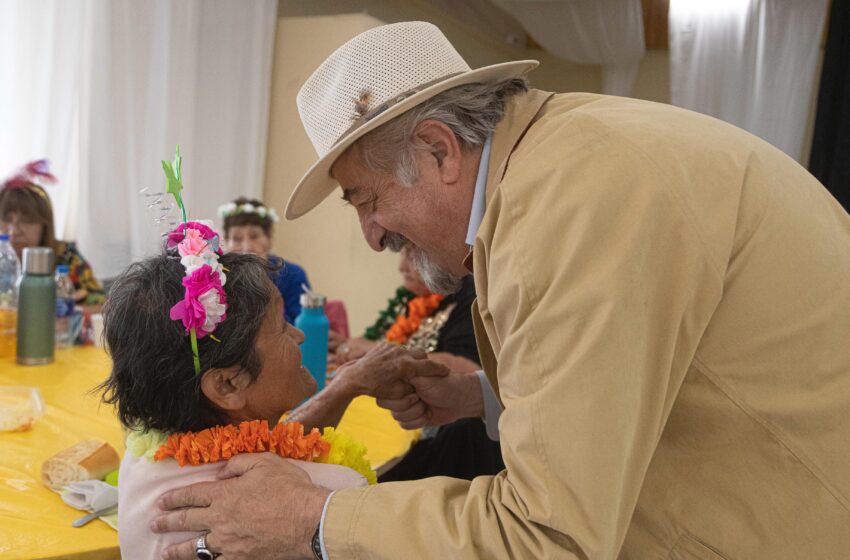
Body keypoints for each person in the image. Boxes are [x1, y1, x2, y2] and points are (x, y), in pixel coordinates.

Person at [152, 21, 850, 559]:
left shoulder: (571, 205)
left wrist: (311, 520)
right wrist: (484, 397)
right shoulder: (561, 163)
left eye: (365, 199)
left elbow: (550, 535)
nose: (371, 235)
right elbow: (646, 378)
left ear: (438, 151)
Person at [99, 220, 440, 559]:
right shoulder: (328, 494)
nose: (300, 335)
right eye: (280, 326)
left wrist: (347, 385)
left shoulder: (144, 462)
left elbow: (269, 449)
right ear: (228, 384)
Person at [335, 245, 504, 481]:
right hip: (398, 415)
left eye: (411, 254)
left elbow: (469, 367)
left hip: (436, 435)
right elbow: (380, 339)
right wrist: (347, 346)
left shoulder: (467, 298)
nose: (401, 266)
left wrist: (377, 352)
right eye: (402, 254)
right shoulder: (410, 299)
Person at [0, 160, 105, 306]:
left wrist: (66, 306)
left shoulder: (66, 255)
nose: (14, 230)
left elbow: (102, 305)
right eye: (6, 219)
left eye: (26, 221)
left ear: (45, 226)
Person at [219, 197, 309, 324]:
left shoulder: (293, 274)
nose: (247, 247)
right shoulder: (219, 276)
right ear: (227, 242)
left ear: (269, 239)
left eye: (254, 236)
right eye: (237, 238)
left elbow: (300, 326)